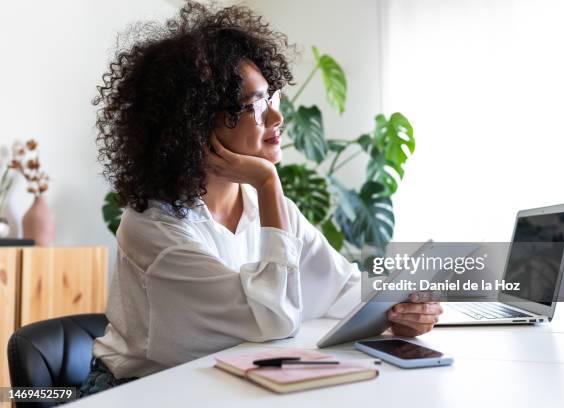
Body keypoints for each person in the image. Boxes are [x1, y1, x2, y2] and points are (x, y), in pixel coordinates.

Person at [81, 1, 443, 396]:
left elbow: (342, 291)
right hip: (138, 392)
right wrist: (268, 184)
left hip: (223, 385)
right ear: (196, 123)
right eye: (255, 104)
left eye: (273, 98)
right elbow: (274, 320)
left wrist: (399, 312)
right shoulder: (155, 228)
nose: (276, 118)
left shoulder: (265, 209)